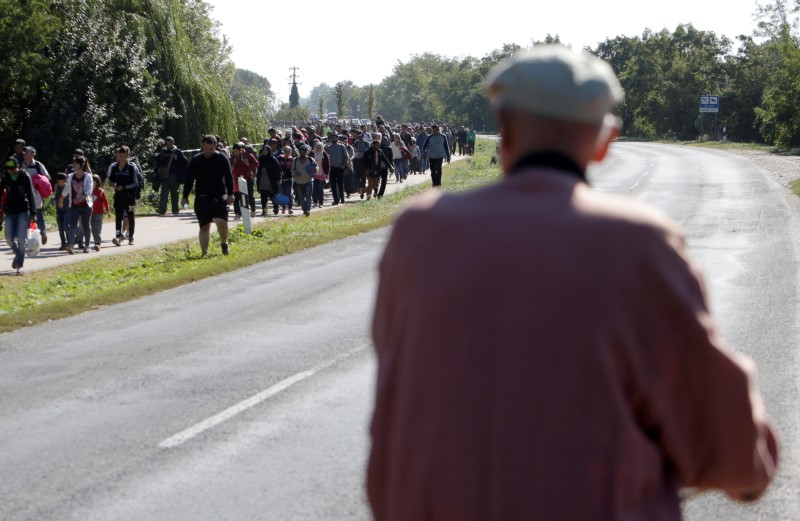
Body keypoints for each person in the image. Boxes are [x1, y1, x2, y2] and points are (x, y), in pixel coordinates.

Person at [367, 45, 779, 521]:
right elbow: (717, 431)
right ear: (606, 141)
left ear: (503, 129)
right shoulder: (637, 243)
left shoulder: (419, 230)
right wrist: (749, 465)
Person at [181, 135, 234, 256]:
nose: (208, 151)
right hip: (202, 198)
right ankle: (204, 252)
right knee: (204, 227)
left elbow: (229, 177)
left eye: (211, 148)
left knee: (222, 223)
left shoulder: (222, 158)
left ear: (215, 146)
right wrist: (185, 196)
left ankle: (224, 243)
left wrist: (231, 194)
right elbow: (189, 179)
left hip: (219, 197)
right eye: (206, 148)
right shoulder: (196, 160)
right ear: (202, 146)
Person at [0, 157, 35, 272]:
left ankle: (19, 264)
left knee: (21, 240)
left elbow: (30, 195)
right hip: (10, 211)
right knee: (9, 239)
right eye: (8, 169)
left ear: (17, 167)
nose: (10, 171)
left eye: (12, 168)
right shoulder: (5, 177)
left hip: (23, 211)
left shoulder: (24, 176)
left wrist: (33, 212)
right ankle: (18, 256)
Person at [107, 145, 142, 246]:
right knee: (118, 216)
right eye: (120, 156)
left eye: (124, 156)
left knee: (130, 216)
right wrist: (112, 184)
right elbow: (110, 180)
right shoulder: (114, 167)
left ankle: (131, 237)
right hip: (118, 196)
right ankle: (118, 236)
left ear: (128, 156)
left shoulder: (132, 167)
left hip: (130, 197)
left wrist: (124, 187)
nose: (122, 158)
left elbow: (135, 183)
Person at [60, 155, 93, 254]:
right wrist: (61, 198)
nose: (73, 165)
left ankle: (87, 246)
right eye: (73, 163)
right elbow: (67, 189)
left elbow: (88, 191)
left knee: (86, 225)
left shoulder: (88, 177)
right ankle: (70, 245)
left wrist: (80, 199)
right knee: (73, 225)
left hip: (86, 205)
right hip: (74, 205)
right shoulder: (70, 176)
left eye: (76, 163)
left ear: (81, 165)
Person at [22, 146, 52, 245]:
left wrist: (37, 182)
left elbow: (47, 177)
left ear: (33, 154)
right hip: (26, 195)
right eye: (25, 152)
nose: (25, 154)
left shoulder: (38, 165)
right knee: (26, 216)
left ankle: (43, 234)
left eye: (27, 152)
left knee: (39, 215)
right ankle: (26, 238)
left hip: (37, 195)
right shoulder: (23, 165)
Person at [155, 136, 189, 215]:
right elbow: (158, 163)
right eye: (167, 144)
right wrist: (156, 172)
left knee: (174, 193)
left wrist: (177, 159)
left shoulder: (178, 152)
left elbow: (185, 162)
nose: (169, 145)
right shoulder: (163, 152)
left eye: (170, 144)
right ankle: (162, 209)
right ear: (165, 144)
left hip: (174, 176)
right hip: (164, 175)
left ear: (173, 143)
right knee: (164, 192)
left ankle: (175, 209)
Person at [257, 139, 283, 215]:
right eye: (263, 149)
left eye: (266, 149)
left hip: (271, 181)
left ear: (269, 151)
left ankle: (276, 207)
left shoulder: (272, 159)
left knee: (273, 196)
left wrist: (278, 179)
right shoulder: (260, 159)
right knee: (263, 197)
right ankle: (264, 211)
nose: (264, 151)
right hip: (262, 180)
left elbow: (278, 170)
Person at [290, 145, 315, 216]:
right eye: (301, 152)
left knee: (308, 196)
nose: (302, 153)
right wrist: (295, 173)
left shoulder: (310, 159)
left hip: (308, 181)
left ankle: (308, 210)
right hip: (298, 182)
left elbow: (316, 168)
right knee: (301, 197)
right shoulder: (295, 160)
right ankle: (304, 210)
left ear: (306, 152)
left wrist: (313, 170)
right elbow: (292, 170)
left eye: (304, 152)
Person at [325, 133, 349, 205]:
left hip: (340, 168)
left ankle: (342, 198)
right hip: (332, 168)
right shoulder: (328, 147)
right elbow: (326, 158)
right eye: (332, 138)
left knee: (340, 184)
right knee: (333, 185)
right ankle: (336, 199)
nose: (333, 139)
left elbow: (346, 157)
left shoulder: (342, 146)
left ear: (337, 138)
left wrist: (343, 165)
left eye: (334, 137)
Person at [90, 174, 110, 251]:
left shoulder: (100, 192)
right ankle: (96, 241)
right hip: (90, 214)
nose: (92, 184)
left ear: (97, 183)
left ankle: (97, 243)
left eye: (94, 182)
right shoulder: (88, 191)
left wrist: (108, 211)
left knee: (98, 229)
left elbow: (105, 202)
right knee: (93, 229)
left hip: (99, 213)